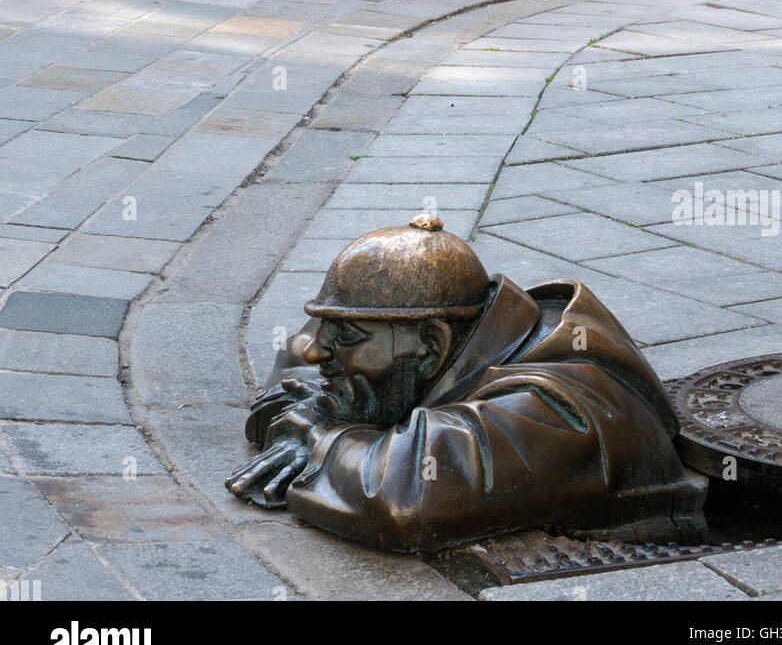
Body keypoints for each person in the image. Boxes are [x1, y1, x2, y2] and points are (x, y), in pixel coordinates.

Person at [226, 215, 702, 552]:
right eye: (328, 328)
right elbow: (294, 360)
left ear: (433, 344)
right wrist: (322, 423)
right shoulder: (466, 339)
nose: (316, 350)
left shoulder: (547, 405)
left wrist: (314, 434)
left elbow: (402, 499)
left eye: (345, 335)